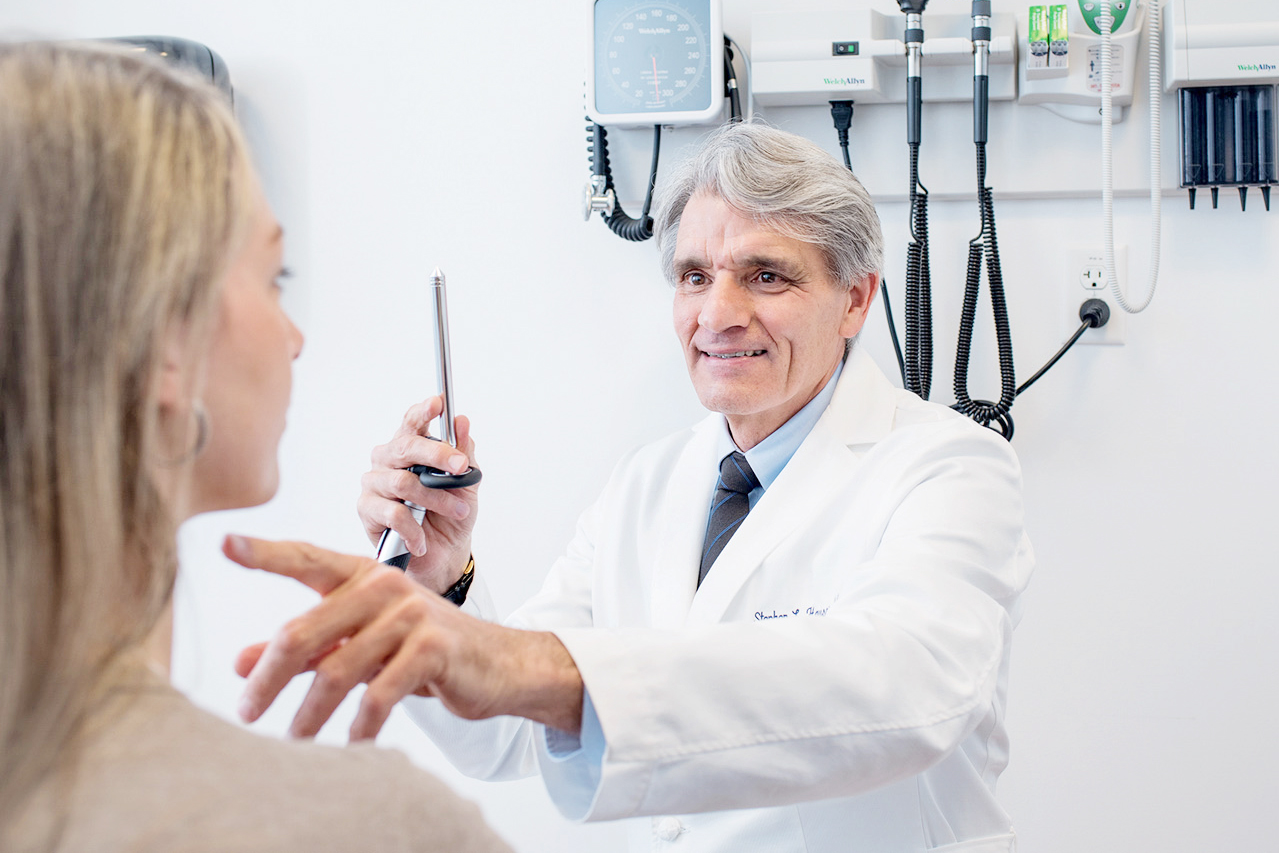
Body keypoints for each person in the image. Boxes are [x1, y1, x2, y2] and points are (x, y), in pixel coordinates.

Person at [232, 122, 1034, 852]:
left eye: (763, 276)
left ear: (855, 298)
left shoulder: (947, 466)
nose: (716, 315)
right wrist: (436, 583)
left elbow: (905, 682)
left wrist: (545, 670)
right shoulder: (648, 483)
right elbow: (510, 732)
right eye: (693, 276)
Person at [0, 41, 511, 853]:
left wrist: (440, 586)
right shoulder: (370, 829)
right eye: (276, 278)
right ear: (168, 340)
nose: (296, 337)